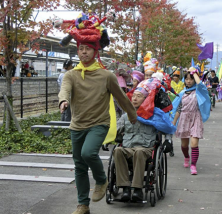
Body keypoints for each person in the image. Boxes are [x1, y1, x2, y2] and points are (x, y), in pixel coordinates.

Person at [57, 10, 137, 214]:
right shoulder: (71, 75)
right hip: (77, 126)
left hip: (99, 124)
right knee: (79, 167)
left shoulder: (106, 75)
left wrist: (132, 114)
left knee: (87, 153)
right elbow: (64, 90)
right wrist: (63, 100)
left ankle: (102, 179)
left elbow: (121, 97)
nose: (83, 52)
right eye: (80, 49)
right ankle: (83, 205)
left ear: (95, 51)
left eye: (87, 49)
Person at [113, 89, 156, 202]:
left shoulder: (152, 115)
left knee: (139, 151)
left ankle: (137, 189)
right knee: (117, 150)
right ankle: (125, 188)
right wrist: (106, 140)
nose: (135, 99)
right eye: (133, 96)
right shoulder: (125, 116)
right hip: (128, 147)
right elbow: (115, 130)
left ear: (145, 99)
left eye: (139, 96)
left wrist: (168, 140)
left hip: (145, 148)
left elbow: (165, 128)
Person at [172, 67, 211, 175]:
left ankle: (193, 165)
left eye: (191, 78)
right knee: (184, 145)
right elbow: (178, 109)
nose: (188, 81)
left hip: (196, 119)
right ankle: (186, 157)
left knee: (194, 144)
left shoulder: (199, 91)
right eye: (187, 79)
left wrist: (194, 73)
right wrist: (173, 122)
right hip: (184, 119)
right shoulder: (182, 93)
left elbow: (201, 85)